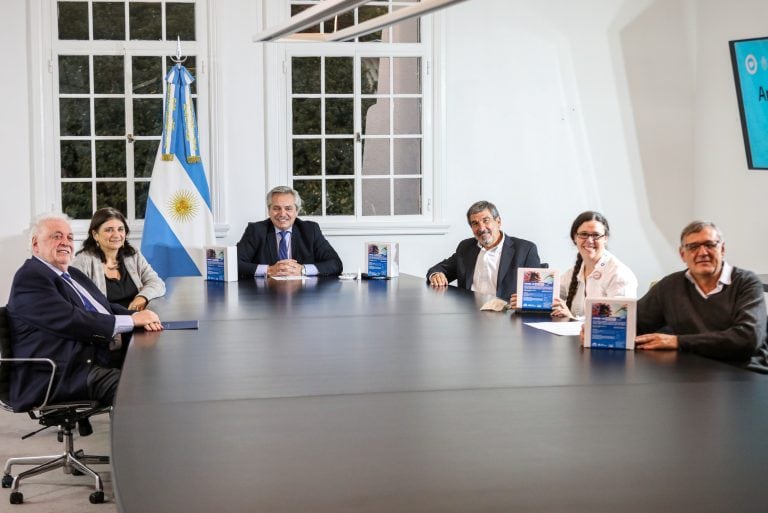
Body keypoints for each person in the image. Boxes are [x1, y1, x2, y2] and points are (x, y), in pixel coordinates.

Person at [6, 213, 163, 412]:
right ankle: (139, 442)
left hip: (90, 358)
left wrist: (136, 317)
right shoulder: (30, 278)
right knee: (136, 389)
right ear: (36, 244)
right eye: (56, 236)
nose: (65, 242)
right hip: (59, 372)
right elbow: (72, 320)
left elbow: (105, 307)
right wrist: (132, 322)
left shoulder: (72, 274)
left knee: (158, 370)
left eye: (69, 238)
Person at [635, 220, 768, 371]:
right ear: (683, 254)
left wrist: (678, 342)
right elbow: (634, 323)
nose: (702, 252)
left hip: (744, 374)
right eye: (693, 247)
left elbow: (748, 338)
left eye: (710, 245)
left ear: (722, 249)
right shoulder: (669, 286)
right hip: (692, 371)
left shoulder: (746, 283)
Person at [426, 200, 541, 298]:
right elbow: (438, 269)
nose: (481, 228)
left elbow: (536, 293)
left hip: (506, 316)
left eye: (486, 220)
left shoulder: (525, 250)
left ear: (498, 222)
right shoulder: (466, 247)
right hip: (469, 314)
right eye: (475, 223)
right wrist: (436, 275)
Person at [237, 186, 343, 278]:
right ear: (269, 210)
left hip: (303, 296)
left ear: (296, 211)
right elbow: (234, 263)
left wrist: (303, 270)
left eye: (288, 208)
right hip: (264, 295)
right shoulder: (256, 230)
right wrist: (268, 270)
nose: (282, 214)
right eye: (276, 208)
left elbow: (335, 264)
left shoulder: (310, 230)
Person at [71, 207, 165, 310]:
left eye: (120, 229)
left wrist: (142, 297)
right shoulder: (82, 261)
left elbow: (157, 283)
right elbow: (78, 301)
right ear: (95, 235)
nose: (116, 235)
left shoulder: (133, 255)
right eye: (109, 230)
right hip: (107, 323)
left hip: (139, 319)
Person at [548, 211, 637, 319]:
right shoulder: (572, 272)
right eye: (584, 234)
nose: (590, 240)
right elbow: (549, 295)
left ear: (605, 238)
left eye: (596, 235)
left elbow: (618, 321)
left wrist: (571, 319)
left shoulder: (619, 274)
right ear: (575, 238)